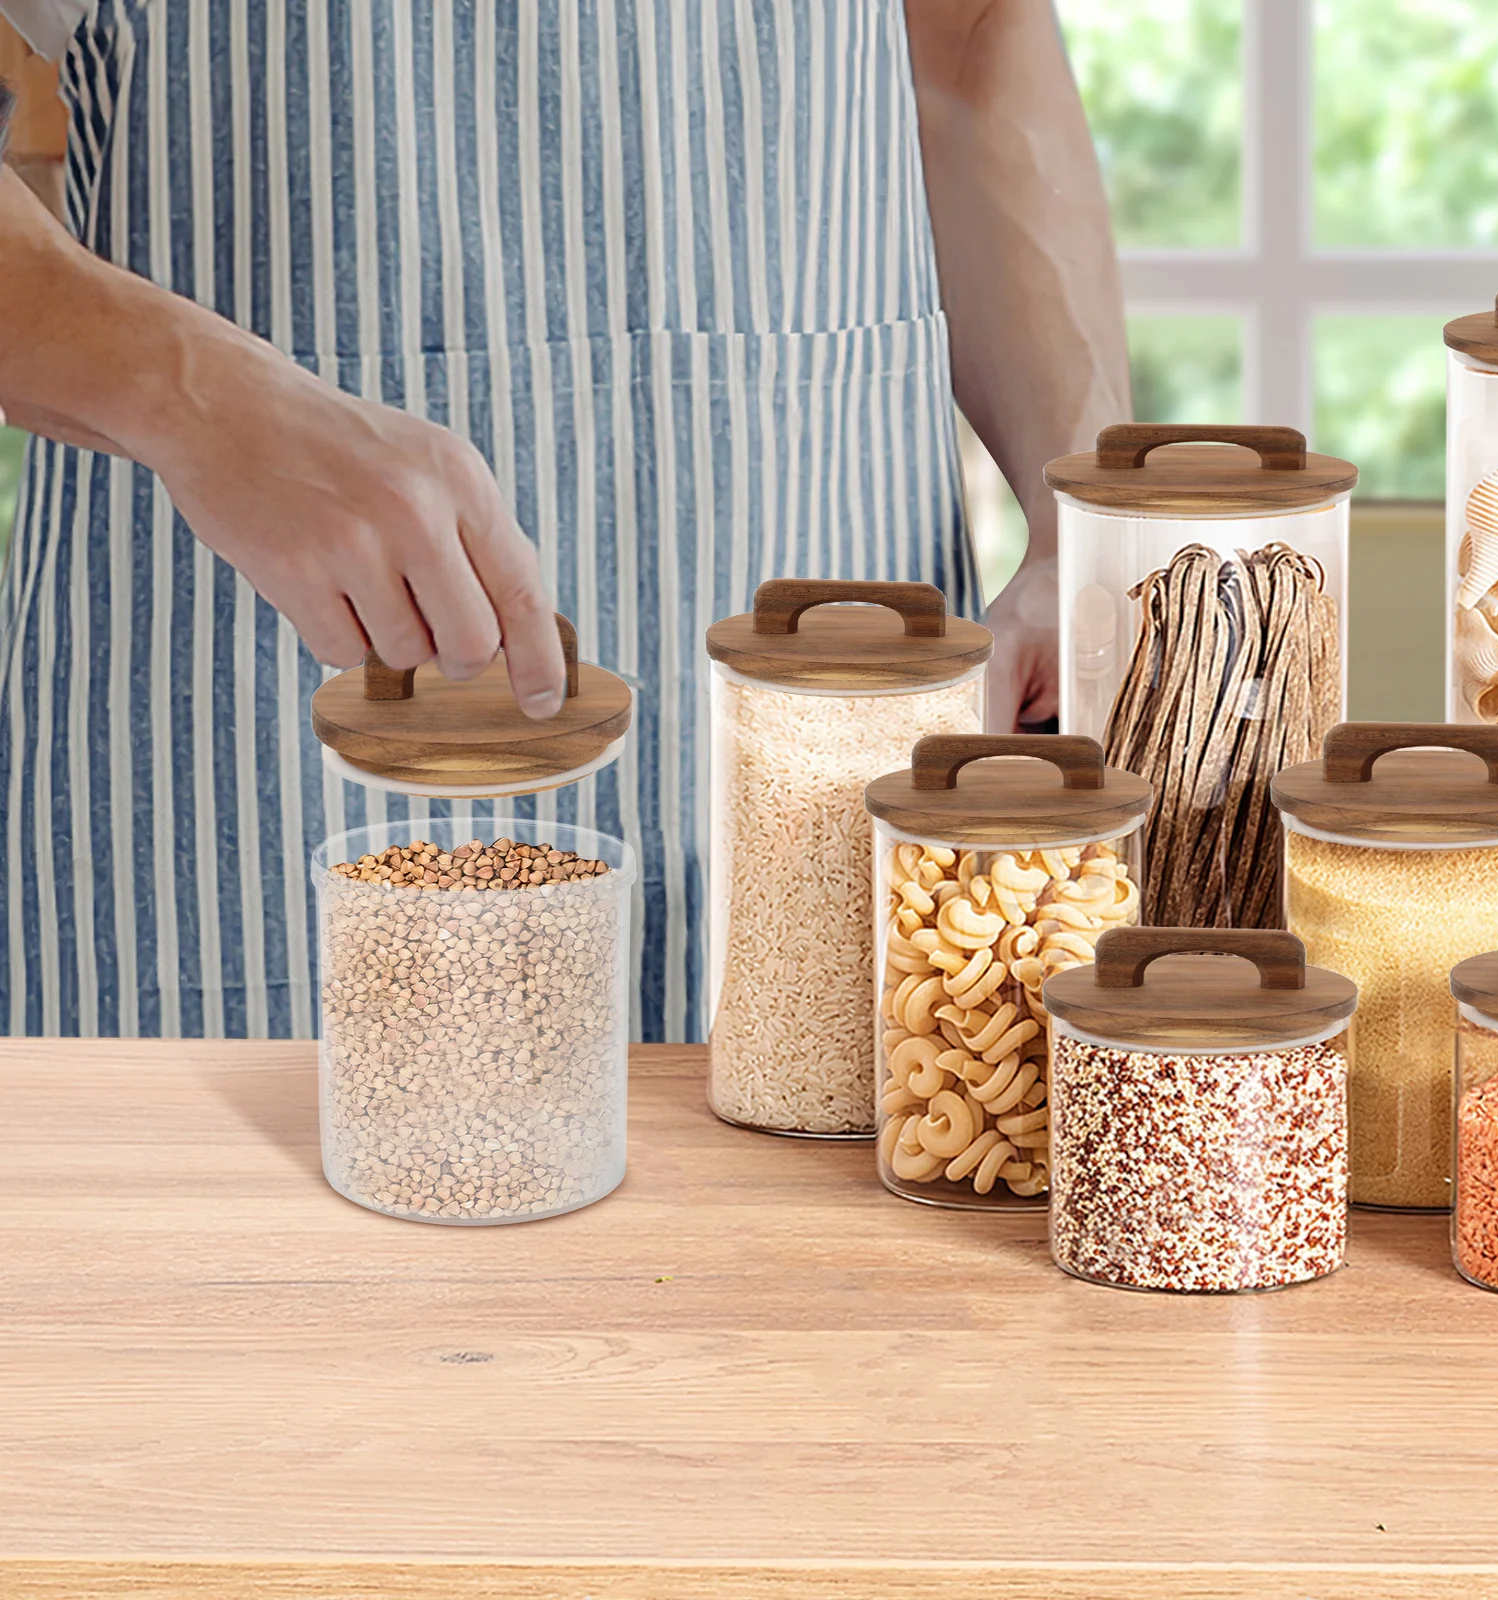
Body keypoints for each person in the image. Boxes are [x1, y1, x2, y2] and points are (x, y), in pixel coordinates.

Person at [0, 0, 1127, 1040]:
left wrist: (1079, 508)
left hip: (829, 696)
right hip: (241, 745)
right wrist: (188, 392)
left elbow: (971, 43)